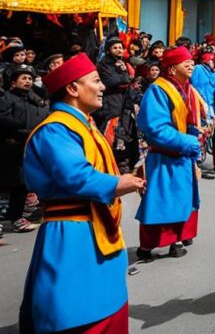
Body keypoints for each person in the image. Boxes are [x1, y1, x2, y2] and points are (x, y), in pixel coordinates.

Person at [20, 53, 146, 333]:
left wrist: (127, 178)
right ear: (73, 89)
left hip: (96, 226)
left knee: (107, 307)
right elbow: (75, 176)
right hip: (72, 232)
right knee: (76, 314)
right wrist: (118, 184)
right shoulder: (55, 130)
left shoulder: (84, 125)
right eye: (96, 81)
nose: (102, 87)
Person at [135, 46, 204, 261]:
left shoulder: (188, 88)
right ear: (173, 69)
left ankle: (177, 240)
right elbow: (155, 128)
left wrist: (197, 133)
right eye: (186, 62)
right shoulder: (158, 90)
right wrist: (188, 140)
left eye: (192, 61)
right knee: (160, 202)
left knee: (182, 200)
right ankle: (147, 247)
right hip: (164, 156)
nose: (191, 65)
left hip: (184, 154)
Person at [0, 64, 47, 234]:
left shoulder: (35, 98)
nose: (27, 81)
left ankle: (20, 216)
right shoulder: (8, 98)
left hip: (30, 146)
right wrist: (20, 128)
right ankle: (13, 217)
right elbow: (3, 118)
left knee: (23, 184)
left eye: (29, 78)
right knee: (13, 184)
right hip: (12, 146)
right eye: (23, 78)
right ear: (13, 82)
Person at [94, 38, 131, 135]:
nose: (119, 50)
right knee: (107, 129)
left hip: (119, 99)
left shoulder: (121, 62)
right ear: (108, 50)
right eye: (115, 48)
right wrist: (122, 73)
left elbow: (127, 81)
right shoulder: (104, 63)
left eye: (120, 47)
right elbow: (111, 81)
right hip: (108, 101)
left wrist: (123, 74)